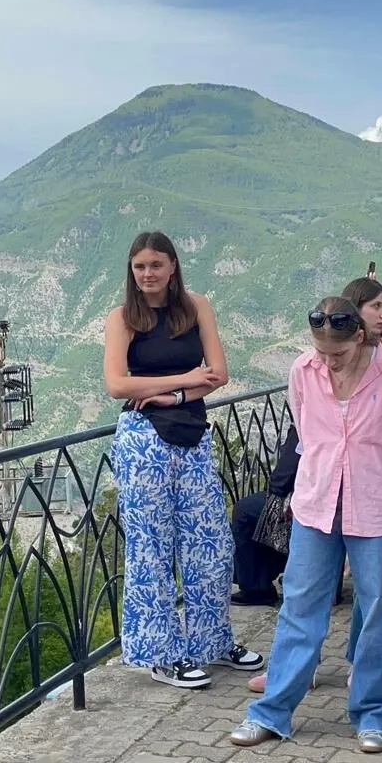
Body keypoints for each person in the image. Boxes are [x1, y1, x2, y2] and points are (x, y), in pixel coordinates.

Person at [228, 296, 382, 753]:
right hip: (316, 504)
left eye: (338, 353)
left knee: (377, 611)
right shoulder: (303, 370)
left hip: (374, 505)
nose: (328, 361)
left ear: (359, 337)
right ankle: (272, 711)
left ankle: (374, 713)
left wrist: (373, 468)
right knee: (299, 607)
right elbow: (305, 429)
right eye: (321, 351)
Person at [103, 230, 264, 689]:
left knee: (211, 544)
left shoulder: (197, 308)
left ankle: (212, 642)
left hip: (191, 433)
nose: (147, 274)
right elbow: (117, 385)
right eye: (139, 266)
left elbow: (219, 374)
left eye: (156, 264)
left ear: (173, 266)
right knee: (151, 549)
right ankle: (162, 655)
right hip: (143, 441)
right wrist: (186, 379)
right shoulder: (123, 317)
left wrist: (172, 394)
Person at [230, 425, 299, 607]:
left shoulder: (311, 415)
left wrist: (276, 491)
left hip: (305, 497)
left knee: (244, 511)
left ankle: (256, 588)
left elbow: (288, 467)